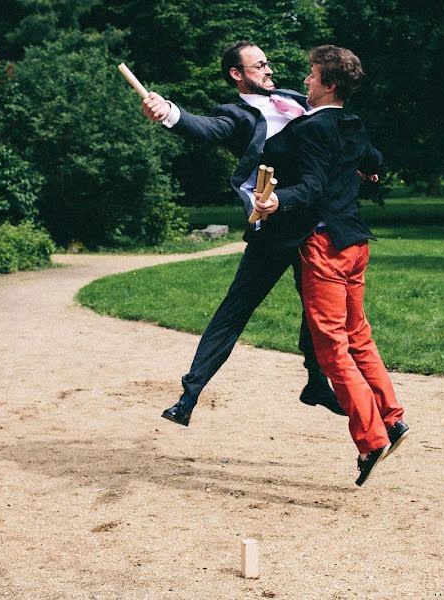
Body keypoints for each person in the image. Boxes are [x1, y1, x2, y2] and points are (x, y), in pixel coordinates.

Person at [140, 41, 345, 425]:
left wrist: (361, 164)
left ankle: (316, 382)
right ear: (237, 74)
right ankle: (189, 395)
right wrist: (169, 112)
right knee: (235, 311)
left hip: (313, 222)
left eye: (268, 63)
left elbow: (333, 130)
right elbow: (204, 128)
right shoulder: (236, 116)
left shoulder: (293, 98)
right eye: (260, 65)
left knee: (317, 311)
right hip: (273, 227)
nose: (269, 70)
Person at [252, 45, 408, 486]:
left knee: (332, 349)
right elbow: (373, 160)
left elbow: (313, 186)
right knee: (358, 337)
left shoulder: (308, 131)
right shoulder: (352, 125)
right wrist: (367, 170)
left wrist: (279, 199)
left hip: (324, 246)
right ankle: (392, 419)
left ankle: (371, 439)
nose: (305, 81)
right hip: (356, 243)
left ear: (329, 84)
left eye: (311, 75)